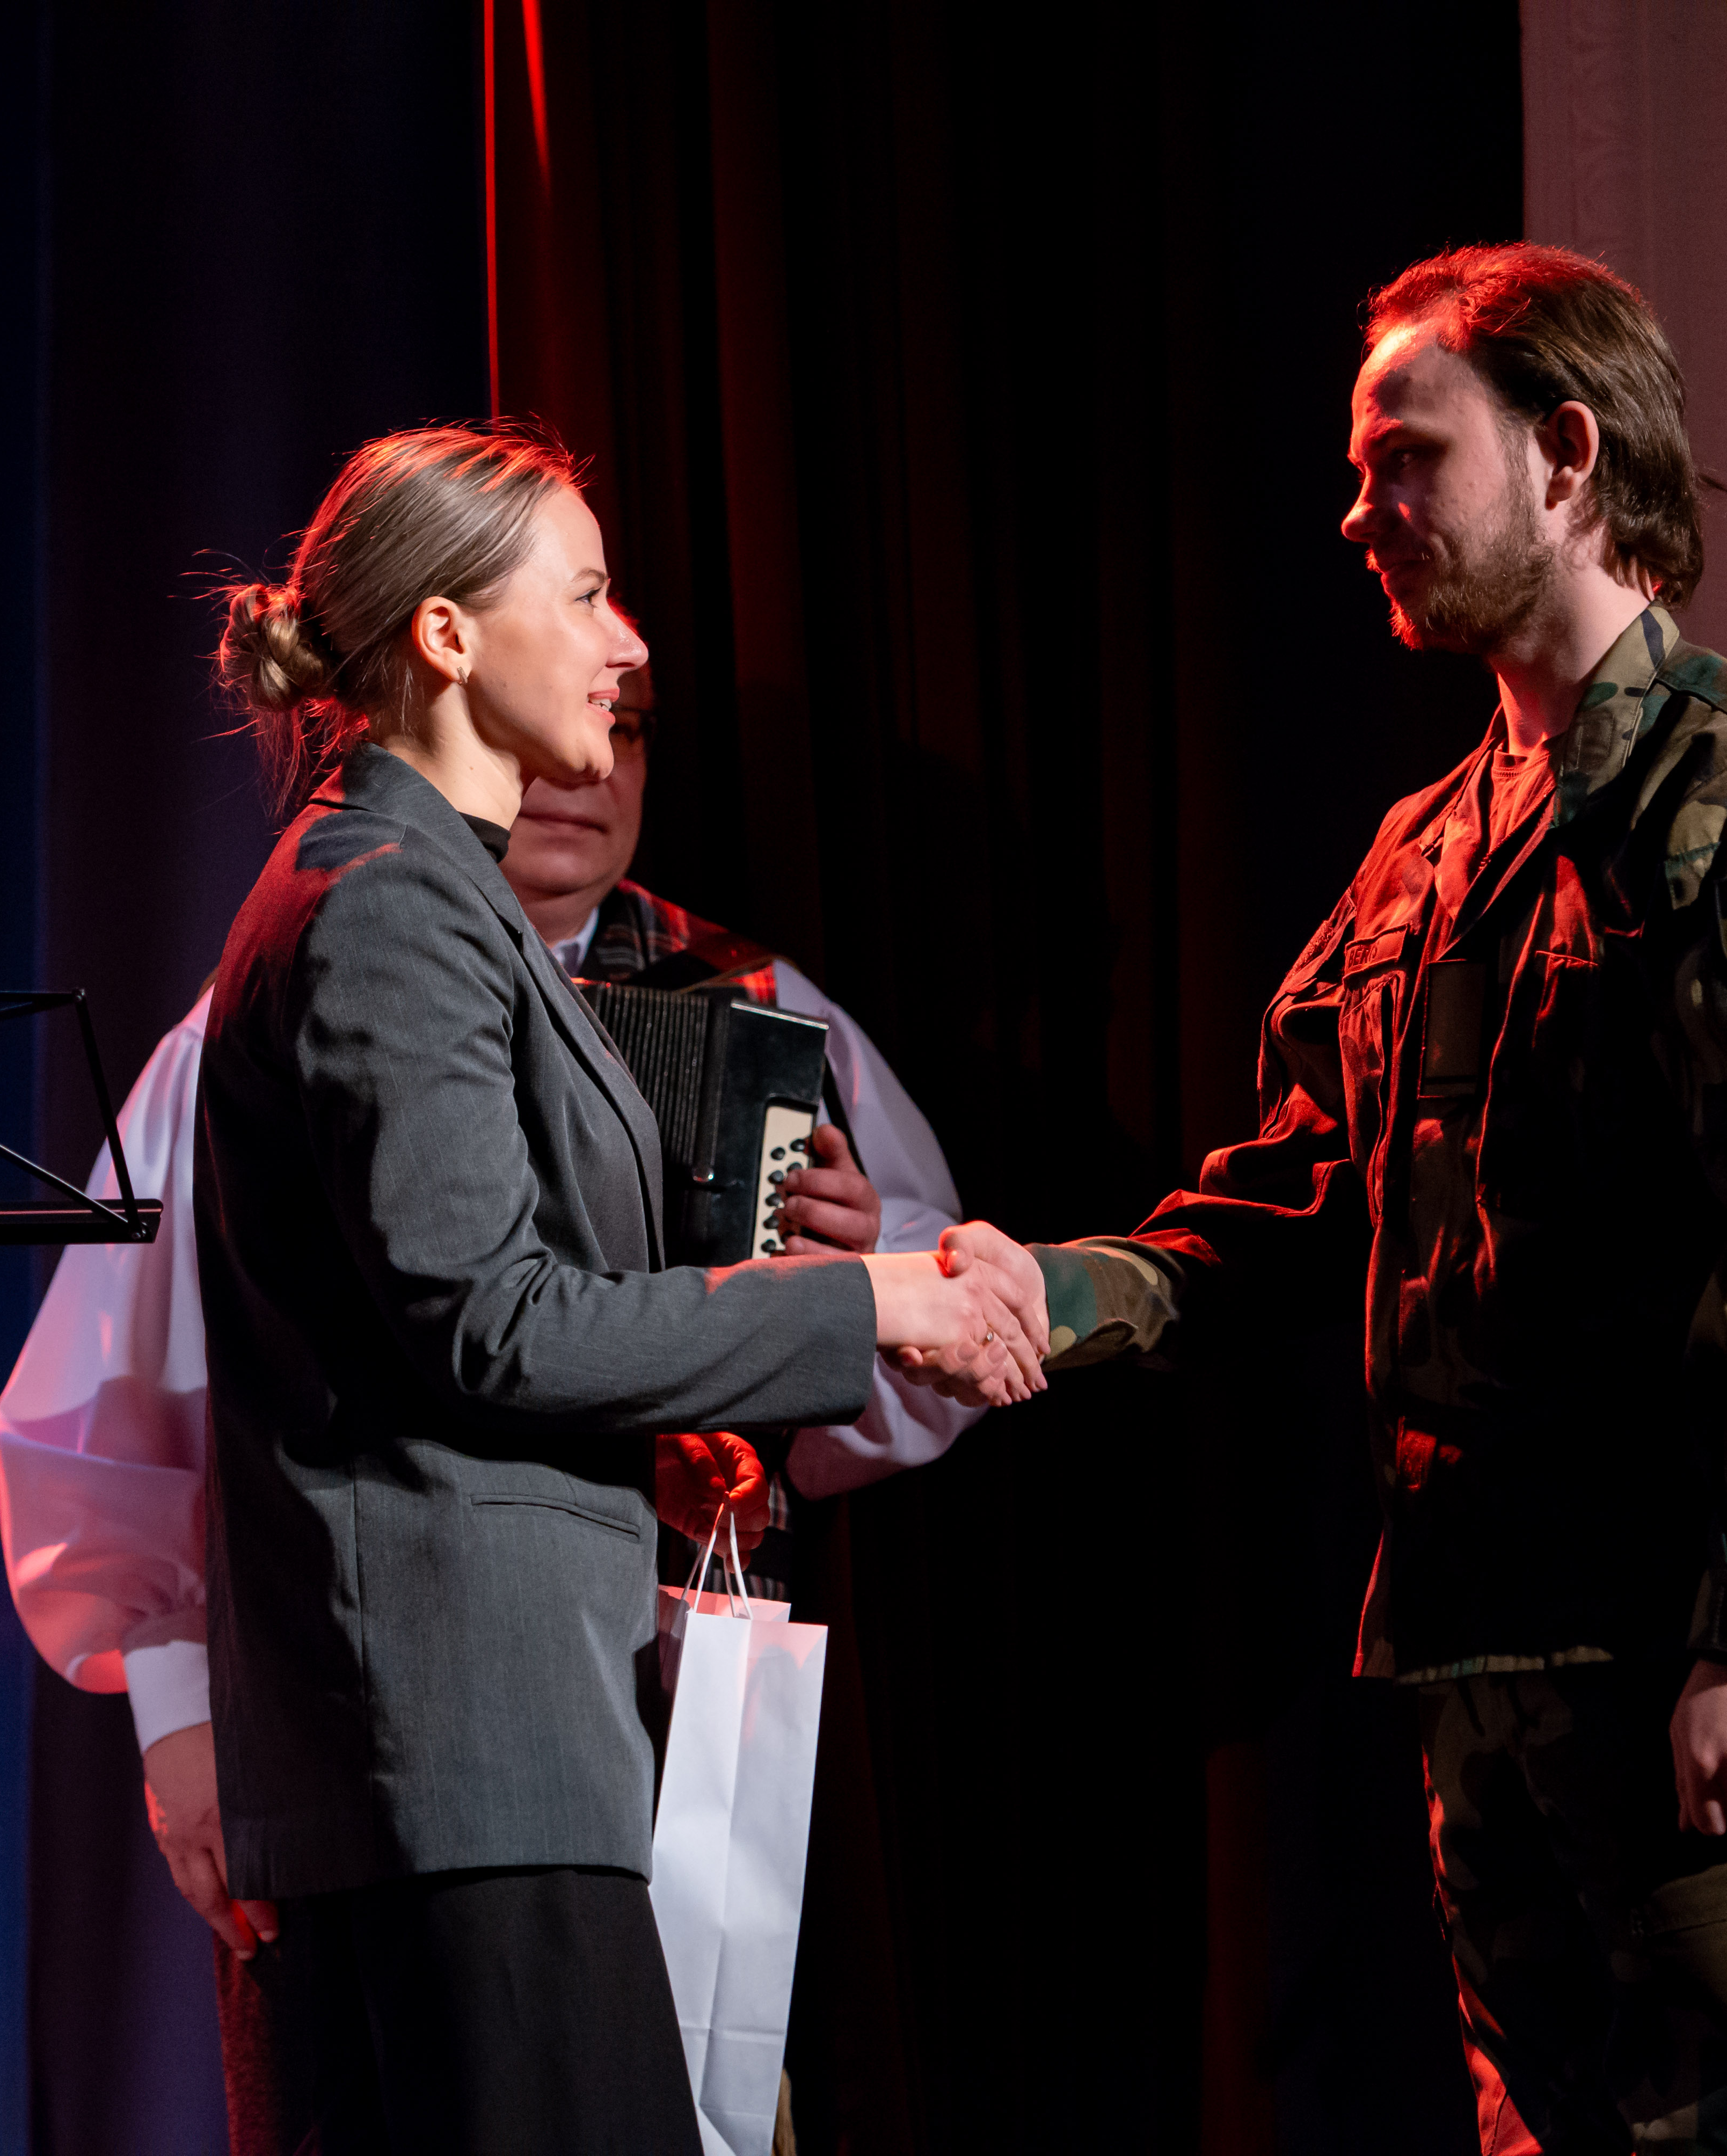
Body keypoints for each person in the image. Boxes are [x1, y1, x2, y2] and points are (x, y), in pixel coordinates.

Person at [948, 246, 1727, 2152]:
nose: (1359, 510)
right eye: (1360, 468)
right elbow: (1297, 1202)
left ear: (1566, 456)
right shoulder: (1423, 849)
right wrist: (1027, 1296)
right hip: (1487, 1642)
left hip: (1685, 1640)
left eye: (1405, 457)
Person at [180, 419, 1037, 2152]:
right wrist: (873, 1304)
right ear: (446, 635)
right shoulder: (391, 904)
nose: (628, 642)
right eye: (583, 595)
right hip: (460, 1749)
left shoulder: (425, 892)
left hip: (482, 1742)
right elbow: (493, 1321)